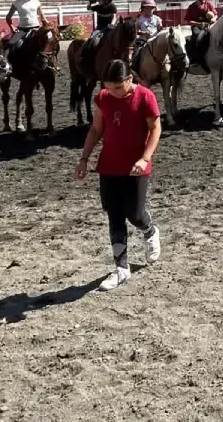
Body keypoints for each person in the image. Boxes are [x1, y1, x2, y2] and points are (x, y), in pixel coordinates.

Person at [75, 59, 163, 291]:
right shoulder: (103, 98)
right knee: (114, 215)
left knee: (134, 213)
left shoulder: (145, 97)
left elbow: (155, 128)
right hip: (109, 166)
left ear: (129, 80)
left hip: (136, 166)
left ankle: (150, 230)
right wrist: (84, 158)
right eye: (108, 87)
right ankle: (121, 268)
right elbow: (96, 129)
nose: (112, 92)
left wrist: (144, 159)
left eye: (117, 87)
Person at [5, 0, 48, 65]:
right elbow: (8, 17)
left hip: (36, 28)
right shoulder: (16, 3)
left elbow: (43, 18)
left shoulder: (37, 2)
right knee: (10, 43)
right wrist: (12, 27)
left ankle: (51, 63)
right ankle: (9, 66)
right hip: (22, 29)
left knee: (49, 43)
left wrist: (52, 27)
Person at [131, 0, 163, 76]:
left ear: (154, 9)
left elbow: (160, 29)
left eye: (151, 8)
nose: (149, 10)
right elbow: (136, 31)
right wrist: (144, 32)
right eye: (147, 8)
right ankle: (135, 67)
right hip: (143, 40)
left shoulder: (157, 19)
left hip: (155, 40)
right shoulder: (139, 19)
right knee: (136, 51)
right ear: (143, 9)